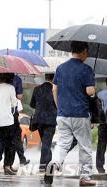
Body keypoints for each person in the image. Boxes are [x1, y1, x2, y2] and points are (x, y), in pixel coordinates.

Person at [45, 41, 96, 186]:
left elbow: (54, 89)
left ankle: (54, 162)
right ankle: (85, 177)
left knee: (62, 143)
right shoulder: (86, 69)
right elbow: (90, 91)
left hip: (63, 114)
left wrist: (59, 107)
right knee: (85, 146)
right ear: (84, 51)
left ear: (71, 50)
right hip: (80, 114)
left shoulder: (61, 68)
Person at [30, 73, 57, 173]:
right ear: (53, 79)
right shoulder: (55, 90)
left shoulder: (37, 89)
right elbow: (58, 103)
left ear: (45, 78)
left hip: (39, 120)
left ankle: (48, 164)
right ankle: (43, 165)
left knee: (46, 142)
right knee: (46, 143)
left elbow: (32, 104)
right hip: (51, 120)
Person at [96, 78, 107, 173]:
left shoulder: (100, 94)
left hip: (103, 123)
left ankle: (100, 167)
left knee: (101, 145)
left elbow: (97, 109)